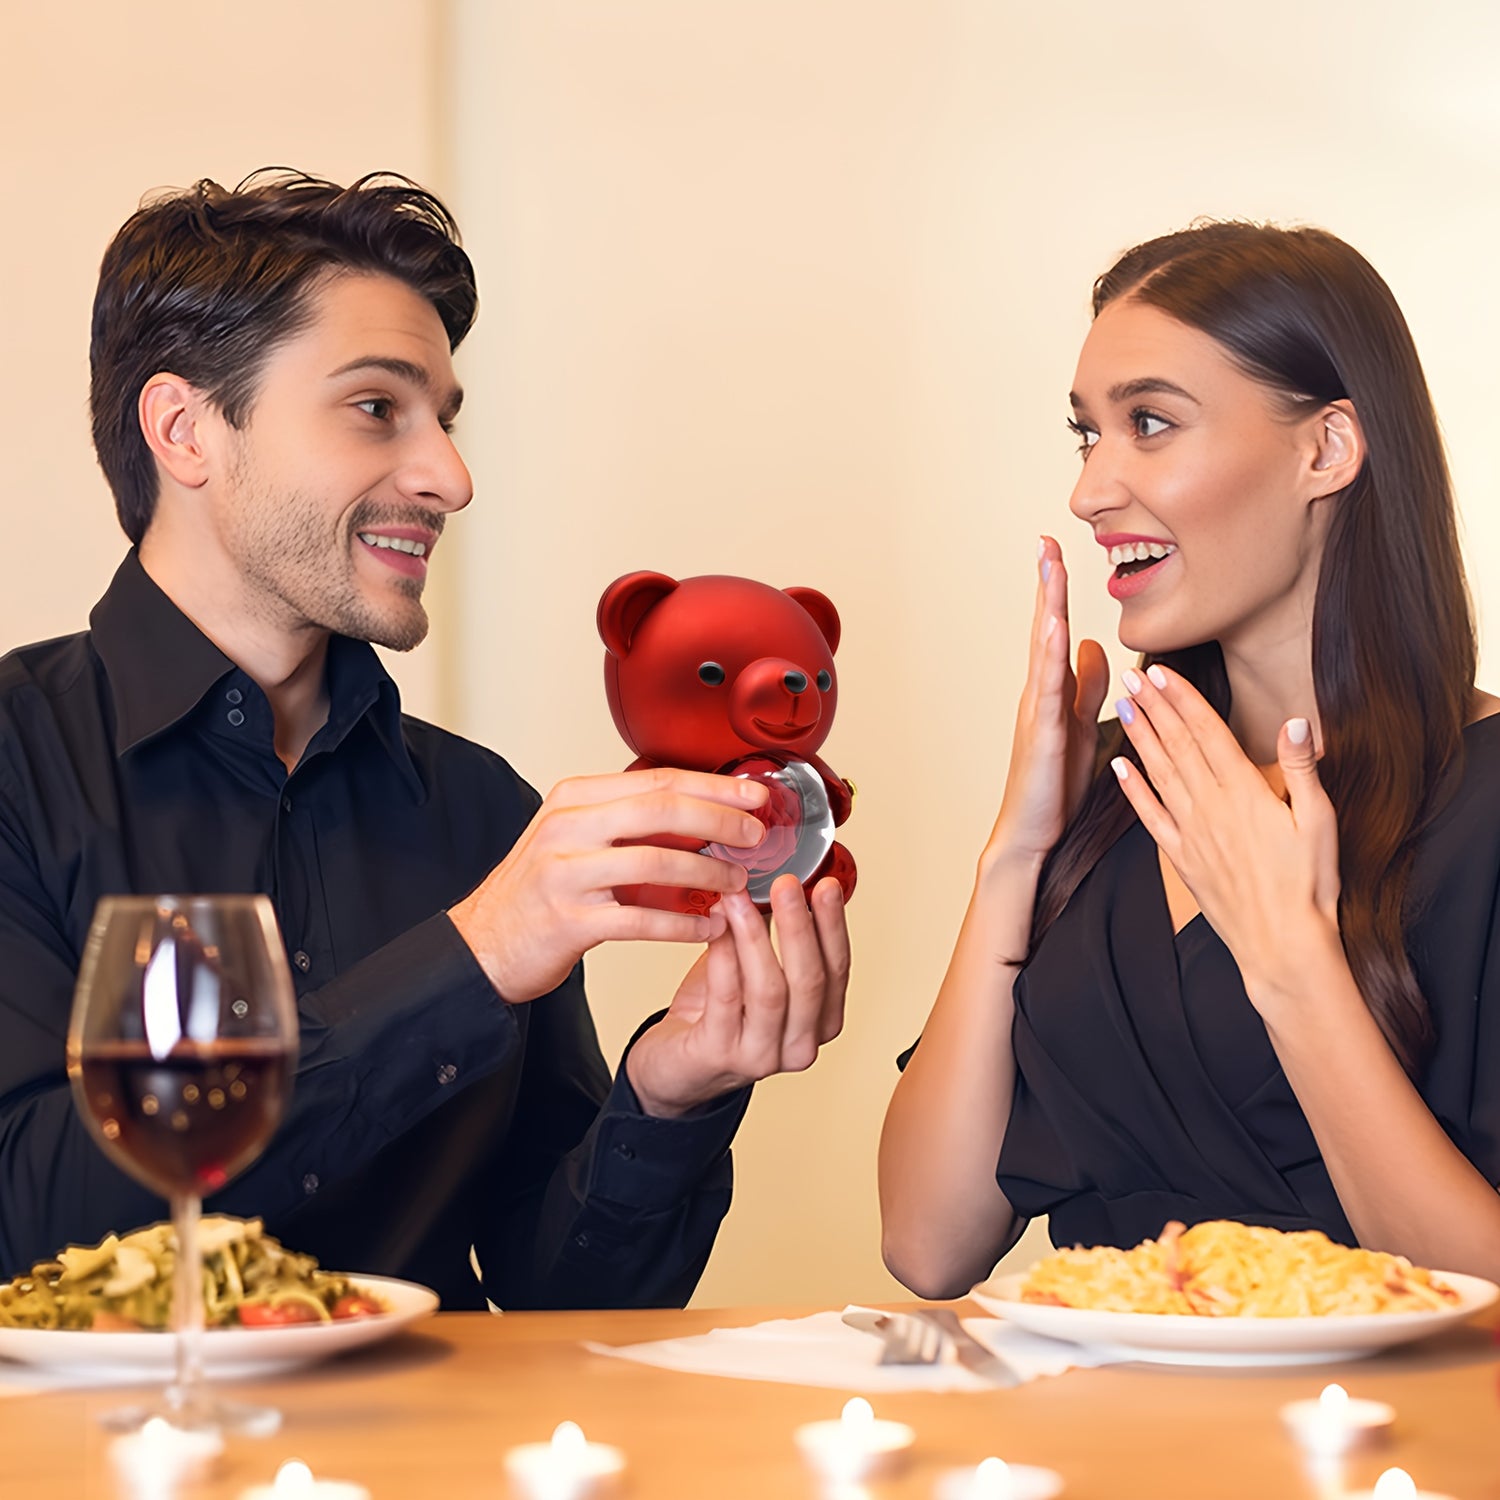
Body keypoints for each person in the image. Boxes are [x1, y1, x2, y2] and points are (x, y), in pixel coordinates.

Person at [0, 170, 849, 1310]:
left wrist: (668, 1094)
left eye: (443, 418)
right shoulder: (16, 766)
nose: (450, 477)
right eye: (375, 408)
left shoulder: (481, 810)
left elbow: (560, 1305)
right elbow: (26, 1224)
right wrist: (474, 956)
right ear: (185, 429)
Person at [878, 221, 1500, 1299]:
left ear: (1327, 450)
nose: (1091, 491)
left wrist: (1290, 962)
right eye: (1088, 435)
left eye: (1151, 423)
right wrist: (1015, 854)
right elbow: (928, 1243)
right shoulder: (1112, 791)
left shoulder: (1485, 808)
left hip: (1377, 1415)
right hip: (1103, 1408)